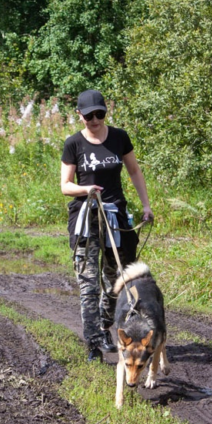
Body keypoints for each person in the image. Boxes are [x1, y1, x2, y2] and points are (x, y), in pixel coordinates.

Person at [60, 89, 154, 362]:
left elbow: (135, 171)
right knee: (88, 282)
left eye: (100, 114)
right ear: (79, 115)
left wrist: (145, 205)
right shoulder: (73, 143)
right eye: (89, 115)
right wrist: (86, 188)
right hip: (85, 218)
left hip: (115, 216)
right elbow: (65, 186)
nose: (95, 119)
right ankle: (92, 343)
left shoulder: (119, 138)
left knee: (116, 279)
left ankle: (104, 327)